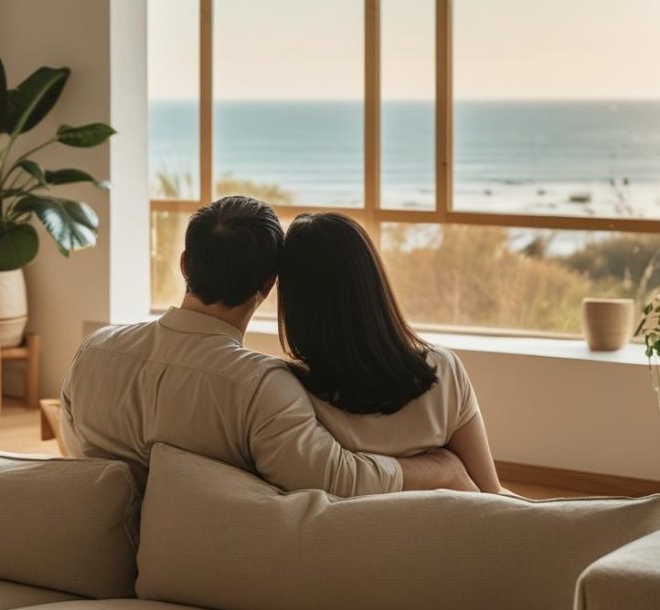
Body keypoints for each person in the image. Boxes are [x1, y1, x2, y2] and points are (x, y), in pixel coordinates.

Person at [60, 195, 474, 496]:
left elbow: (79, 456)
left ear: (185, 264)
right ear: (268, 285)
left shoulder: (93, 351)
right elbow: (339, 480)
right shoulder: (259, 386)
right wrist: (442, 471)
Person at [278, 212, 504, 494]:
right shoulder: (443, 371)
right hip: (452, 532)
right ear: (373, 282)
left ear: (294, 302)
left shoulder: (291, 392)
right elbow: (492, 493)